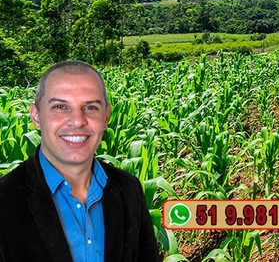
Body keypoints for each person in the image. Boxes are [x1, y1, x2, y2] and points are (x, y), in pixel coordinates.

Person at [0, 60, 161, 262]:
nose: (77, 121)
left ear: (106, 116)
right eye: (60, 106)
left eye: (91, 107)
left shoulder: (129, 189)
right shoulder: (4, 200)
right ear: (36, 115)